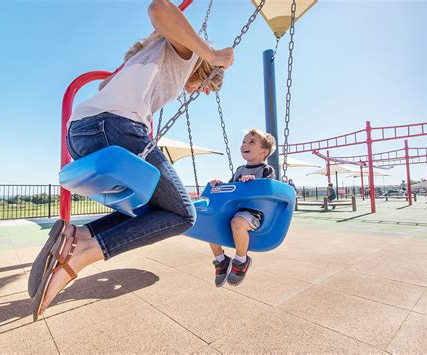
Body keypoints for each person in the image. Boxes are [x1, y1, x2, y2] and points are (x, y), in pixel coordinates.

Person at [29, 0, 234, 321]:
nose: (197, 91)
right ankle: (83, 251)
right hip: (117, 126)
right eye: (205, 85)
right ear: (204, 72)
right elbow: (160, 9)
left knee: (153, 211)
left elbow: (103, 86)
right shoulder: (188, 52)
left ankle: (79, 236)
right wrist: (211, 54)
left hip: (79, 134)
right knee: (183, 215)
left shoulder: (144, 58)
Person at [208, 129, 276, 287]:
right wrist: (220, 184)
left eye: (251, 142)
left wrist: (254, 182)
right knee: (210, 225)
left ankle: (241, 260)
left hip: (255, 213)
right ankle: (221, 260)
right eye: (244, 142)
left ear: (263, 151)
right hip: (235, 211)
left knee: (237, 223)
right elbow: (231, 189)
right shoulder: (239, 170)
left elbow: (269, 191)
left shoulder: (266, 170)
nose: (245, 144)